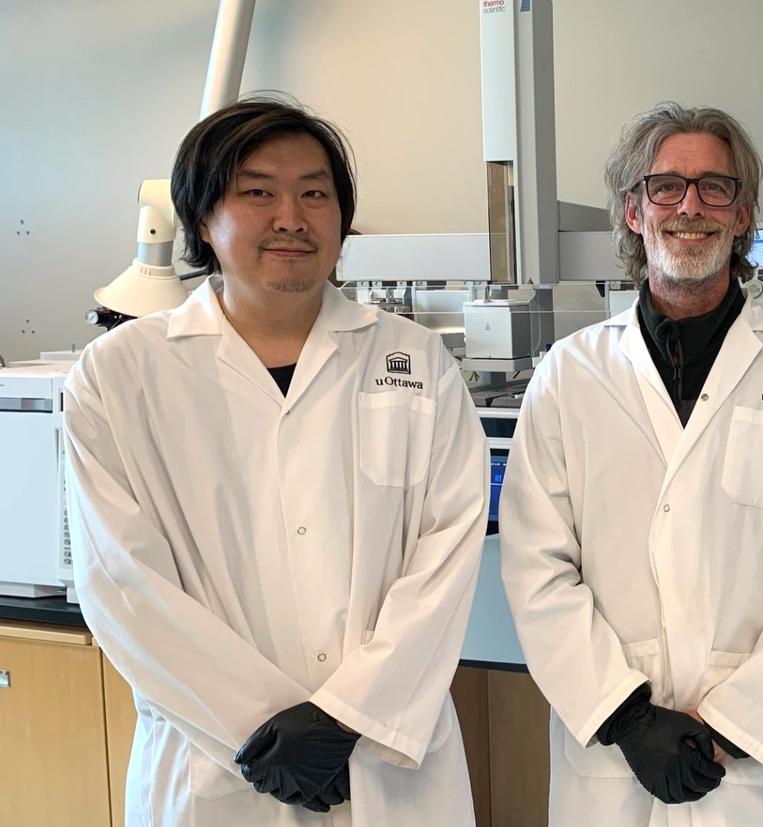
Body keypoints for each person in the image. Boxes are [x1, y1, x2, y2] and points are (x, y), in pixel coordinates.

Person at [64, 96, 486, 825]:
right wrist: (258, 727)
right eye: (257, 191)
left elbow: (447, 553)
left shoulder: (415, 361)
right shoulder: (119, 375)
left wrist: (348, 715)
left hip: (384, 762)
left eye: (314, 193)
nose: (291, 215)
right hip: (218, 768)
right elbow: (123, 582)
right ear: (202, 218)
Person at [499, 102, 763, 825]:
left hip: (752, 760)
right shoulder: (569, 374)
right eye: (666, 187)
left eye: (715, 187)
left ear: (743, 216)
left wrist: (734, 723)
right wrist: (628, 718)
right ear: (634, 212)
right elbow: (535, 566)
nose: (691, 206)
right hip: (613, 751)